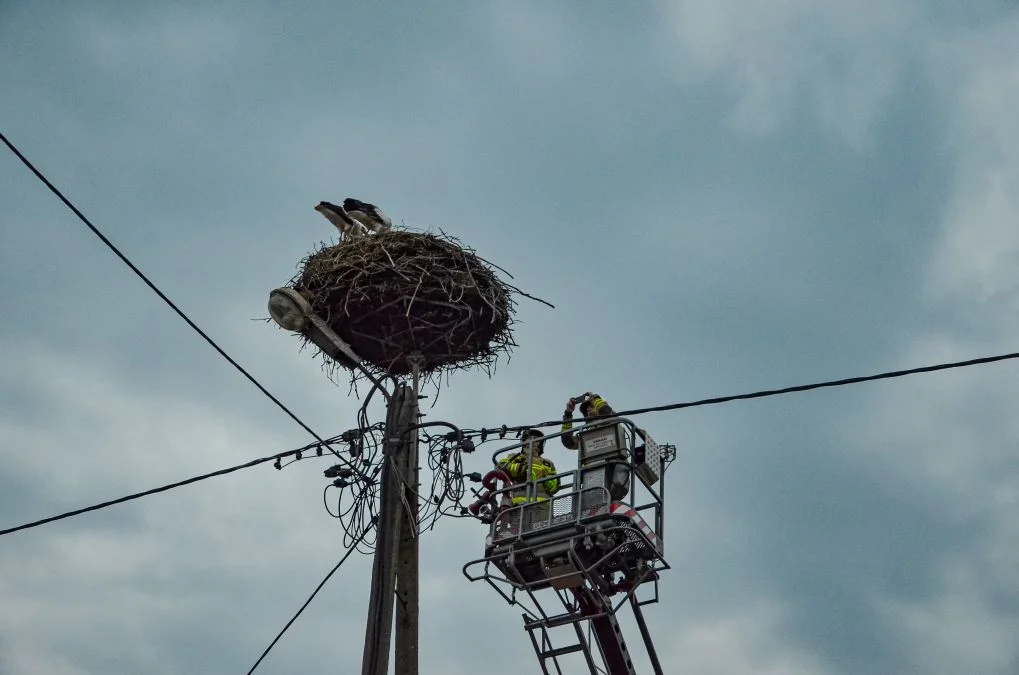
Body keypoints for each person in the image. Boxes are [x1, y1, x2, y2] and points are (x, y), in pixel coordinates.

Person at [498, 428, 561, 505]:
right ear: (524, 442)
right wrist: (520, 469)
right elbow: (501, 465)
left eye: (536, 439)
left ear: (541, 444)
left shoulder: (548, 463)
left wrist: (553, 482)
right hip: (520, 504)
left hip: (543, 504)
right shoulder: (516, 457)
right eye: (530, 438)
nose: (533, 441)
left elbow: (556, 481)